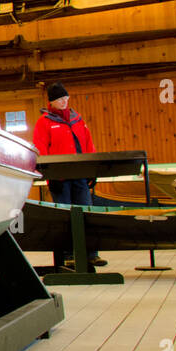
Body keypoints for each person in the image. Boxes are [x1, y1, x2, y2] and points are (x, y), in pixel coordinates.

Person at [33, 83, 106, 267]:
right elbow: (40, 149)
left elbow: (88, 144)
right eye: (60, 99)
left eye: (66, 98)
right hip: (60, 178)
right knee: (64, 217)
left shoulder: (78, 120)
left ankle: (91, 254)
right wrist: (50, 175)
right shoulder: (44, 122)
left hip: (80, 175)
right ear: (52, 102)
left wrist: (92, 169)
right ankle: (66, 256)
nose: (64, 101)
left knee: (86, 213)